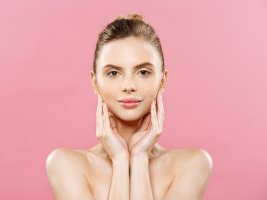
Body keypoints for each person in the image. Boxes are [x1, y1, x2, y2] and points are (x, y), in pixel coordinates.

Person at [45, 12, 213, 200]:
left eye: (143, 72)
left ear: (163, 80)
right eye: (114, 73)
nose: (128, 86)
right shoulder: (65, 164)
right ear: (94, 82)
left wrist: (140, 157)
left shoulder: (192, 164)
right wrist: (120, 159)